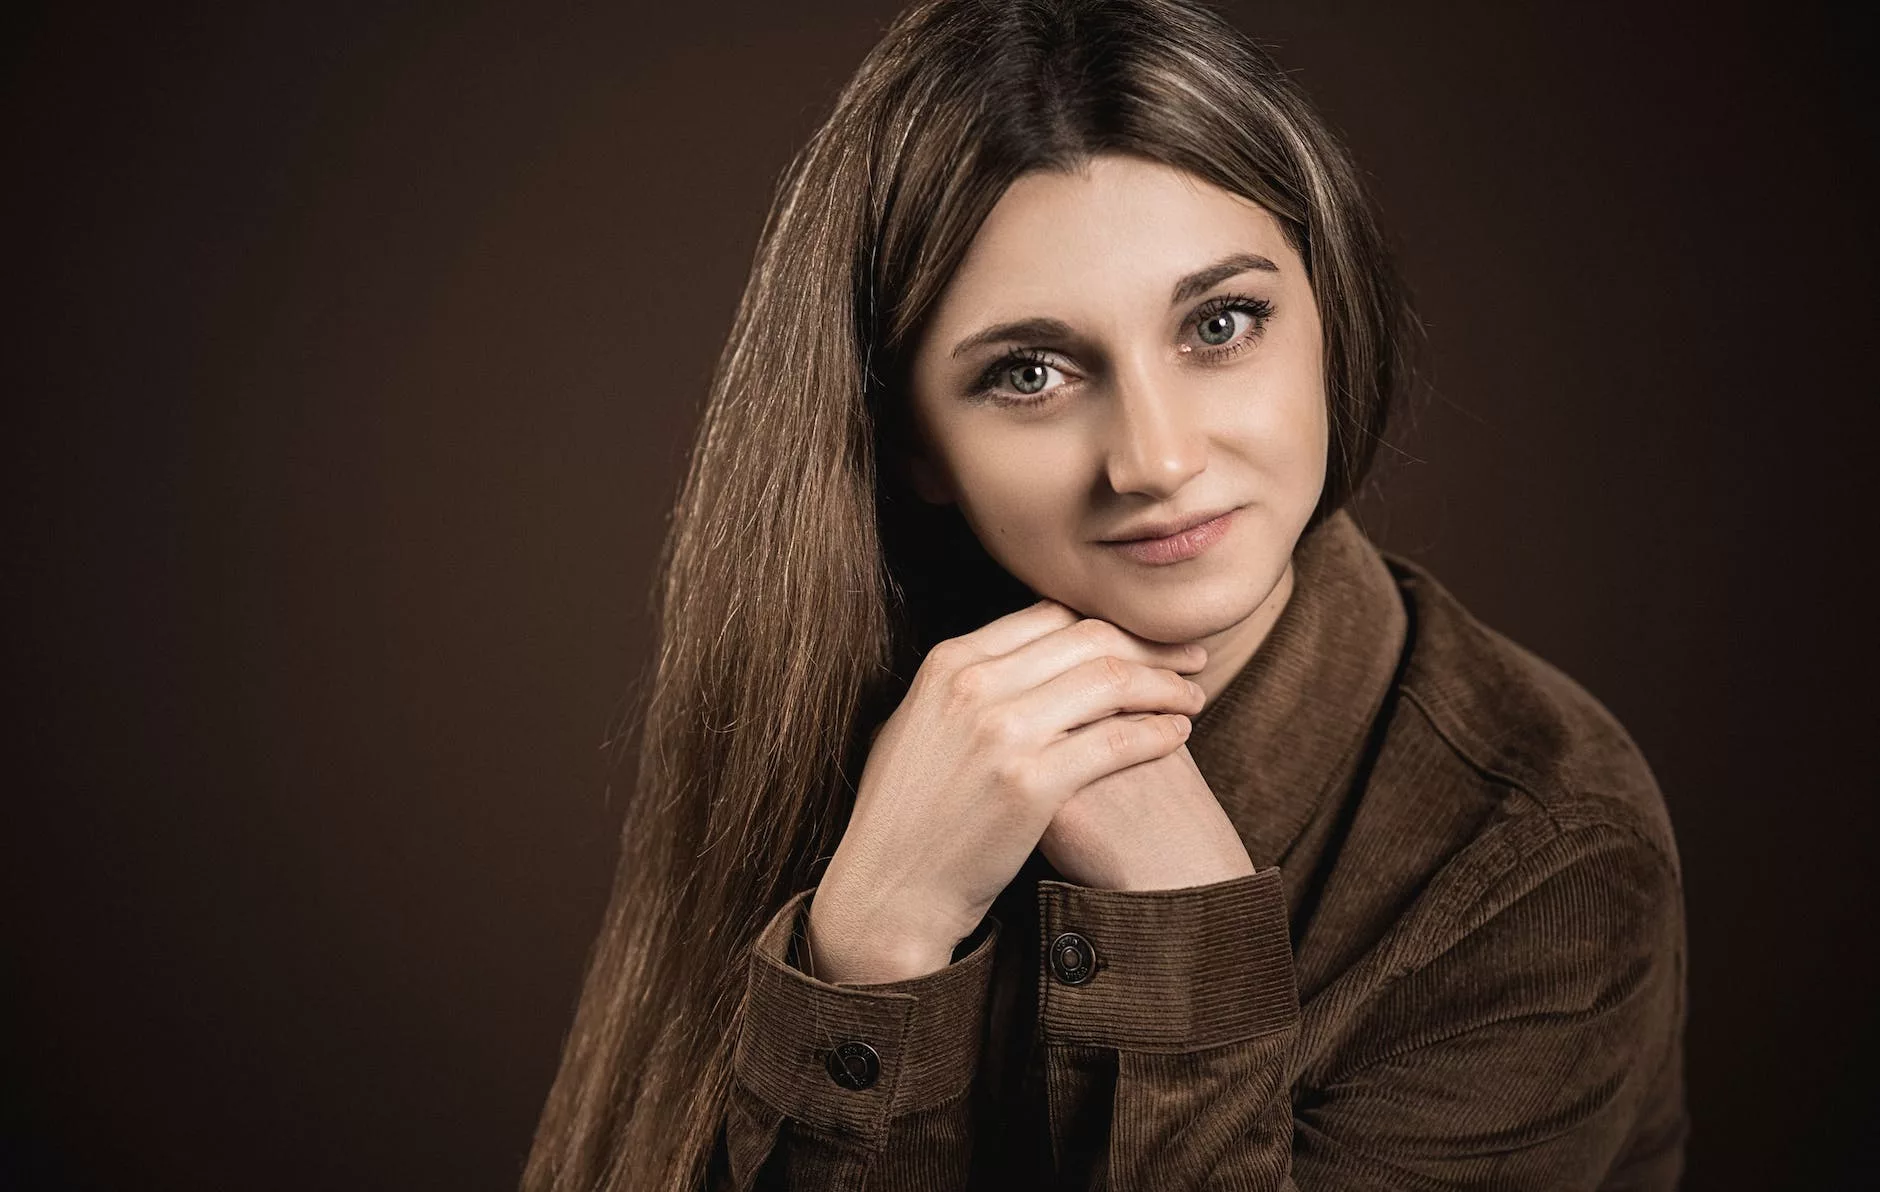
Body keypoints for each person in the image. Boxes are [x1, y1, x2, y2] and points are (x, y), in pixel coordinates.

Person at [522, 0, 1689, 1188]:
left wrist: (1187, 929)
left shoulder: (1537, 853)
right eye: (1029, 372)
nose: (1154, 458)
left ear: (1325, 315)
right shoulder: (823, 717)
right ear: (910, 436)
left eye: (1220, 323)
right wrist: (874, 940)